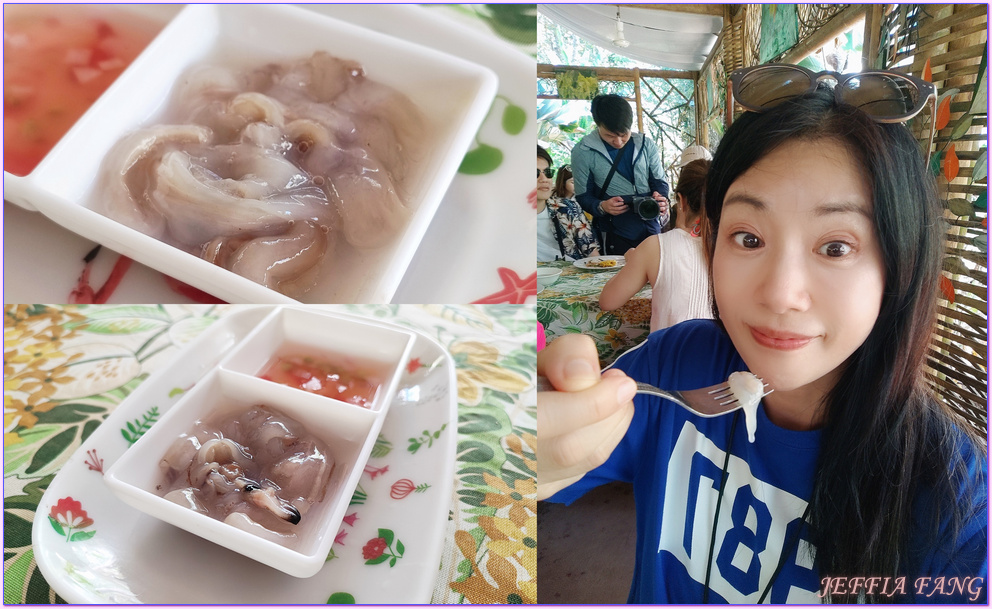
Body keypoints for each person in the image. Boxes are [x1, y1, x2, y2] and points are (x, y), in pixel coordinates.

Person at [538, 80, 987, 603]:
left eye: (836, 246)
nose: (779, 294)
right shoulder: (674, 366)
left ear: (900, 266)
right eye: (748, 238)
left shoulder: (954, 503)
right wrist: (528, 430)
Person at [599, 158, 713, 332]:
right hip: (720, 355)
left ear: (680, 201)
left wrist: (634, 258)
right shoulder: (734, 247)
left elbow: (608, 301)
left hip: (667, 354)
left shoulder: (655, 247)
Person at [571, 94, 670, 255]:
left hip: (651, 228)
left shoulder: (646, 145)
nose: (618, 142)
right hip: (614, 232)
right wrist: (602, 206)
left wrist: (661, 198)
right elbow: (583, 196)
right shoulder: (583, 151)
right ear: (598, 125)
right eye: (610, 135)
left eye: (624, 134)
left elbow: (660, 182)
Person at [537, 145, 599, 261]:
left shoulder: (569, 208)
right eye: (535, 173)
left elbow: (592, 254)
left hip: (571, 275)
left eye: (548, 172)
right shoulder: (502, 217)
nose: (544, 179)